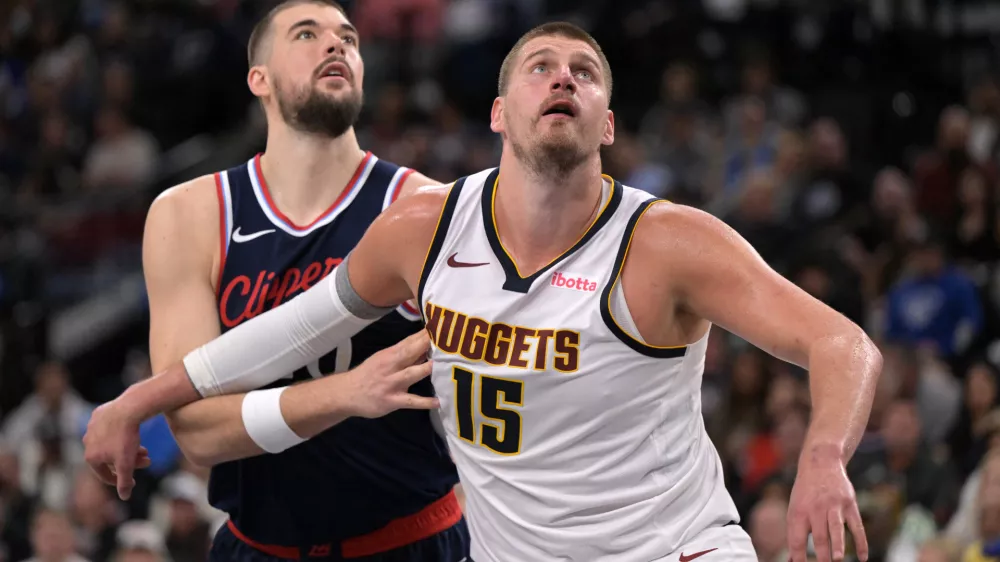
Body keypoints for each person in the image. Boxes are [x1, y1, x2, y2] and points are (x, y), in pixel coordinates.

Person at [85, 21, 882, 562]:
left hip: (669, 548)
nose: (562, 79)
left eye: (585, 73)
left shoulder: (668, 242)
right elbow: (291, 332)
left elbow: (841, 342)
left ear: (607, 124)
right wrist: (137, 402)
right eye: (541, 68)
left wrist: (822, 456)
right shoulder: (425, 228)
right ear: (502, 113)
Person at [84, 1, 469, 561]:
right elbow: (197, 432)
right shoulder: (190, 214)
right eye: (307, 34)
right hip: (257, 545)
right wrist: (345, 394)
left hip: (411, 540)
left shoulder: (423, 207)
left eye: (349, 39)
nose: (336, 46)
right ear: (257, 78)